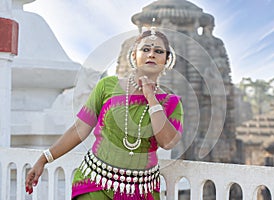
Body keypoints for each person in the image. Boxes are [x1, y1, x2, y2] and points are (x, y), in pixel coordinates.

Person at [25, 28, 184, 200]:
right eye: (145, 49)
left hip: (141, 191)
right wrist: (44, 158)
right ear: (133, 56)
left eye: (158, 51)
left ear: (167, 60)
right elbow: (79, 129)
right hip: (94, 184)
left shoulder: (171, 103)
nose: (151, 54)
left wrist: (151, 98)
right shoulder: (107, 86)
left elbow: (167, 142)